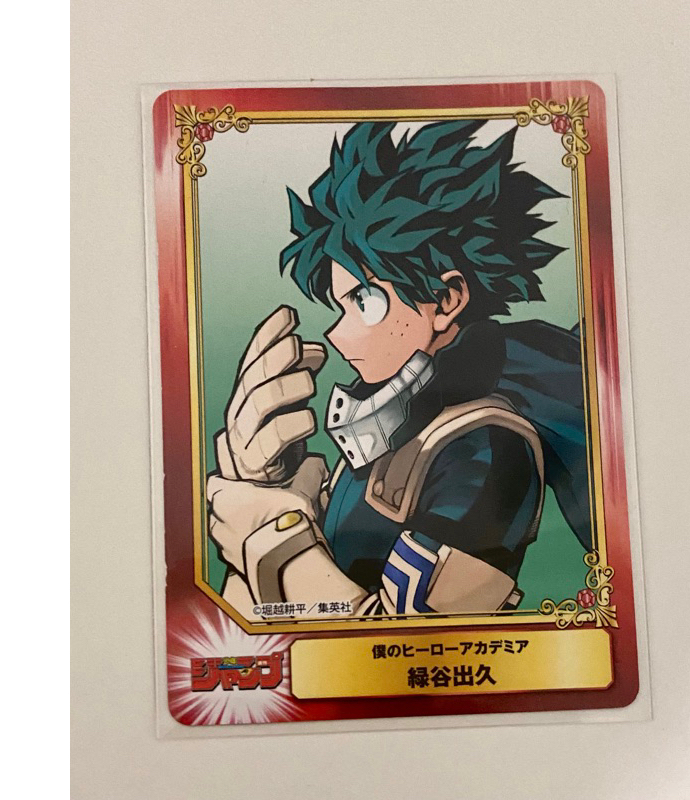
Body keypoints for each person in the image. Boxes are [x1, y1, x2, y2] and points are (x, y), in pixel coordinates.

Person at [207, 120, 590, 619]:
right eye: (340, 306)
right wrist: (270, 491)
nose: (336, 335)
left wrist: (272, 539)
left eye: (364, 302)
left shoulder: (487, 447)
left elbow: (416, 635)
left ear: (447, 299)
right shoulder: (393, 427)